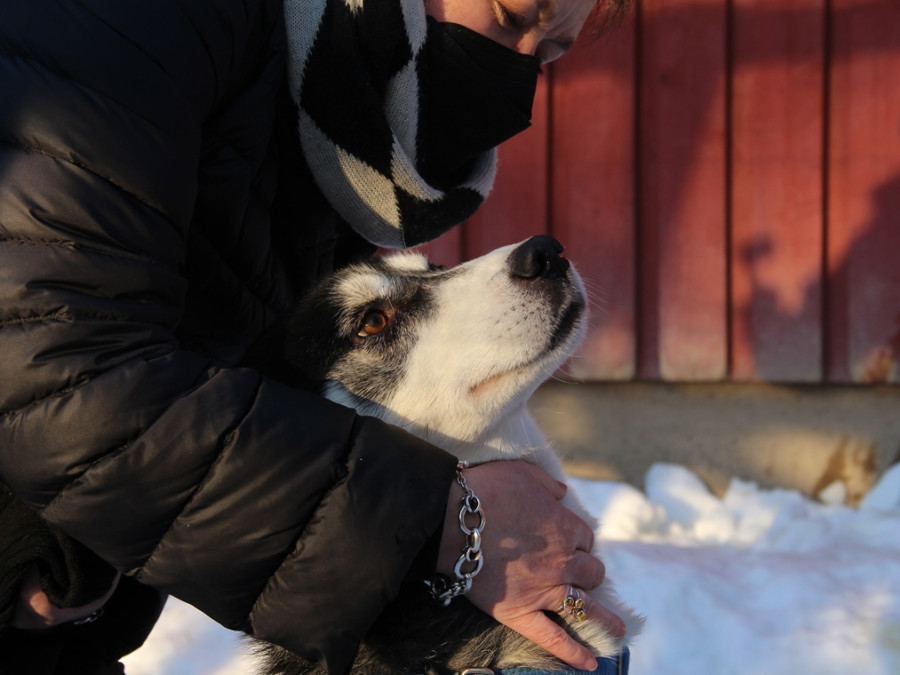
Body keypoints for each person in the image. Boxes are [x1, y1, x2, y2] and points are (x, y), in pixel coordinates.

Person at [0, 0, 629, 673]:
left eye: (548, 54)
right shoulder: (134, 24)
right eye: (512, 14)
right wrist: (441, 520)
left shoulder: (335, 136)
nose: (516, 66)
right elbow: (60, 366)